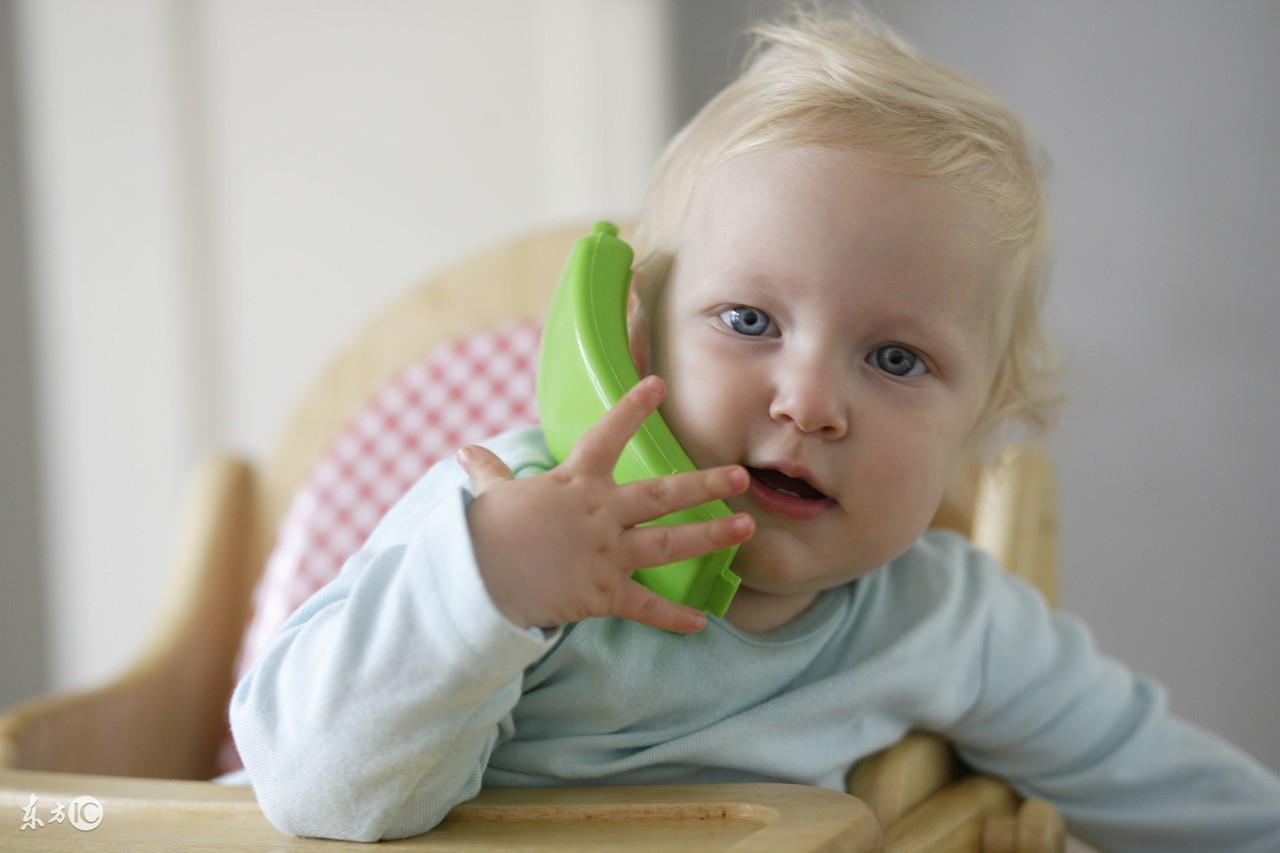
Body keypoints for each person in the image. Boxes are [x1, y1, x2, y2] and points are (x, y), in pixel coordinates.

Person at [227, 10, 1280, 849]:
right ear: (634, 337)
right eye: (747, 321)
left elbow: (1163, 784)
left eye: (896, 358)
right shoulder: (508, 515)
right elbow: (314, 790)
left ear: (980, 427)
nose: (808, 400)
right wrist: (488, 586)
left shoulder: (942, 618)